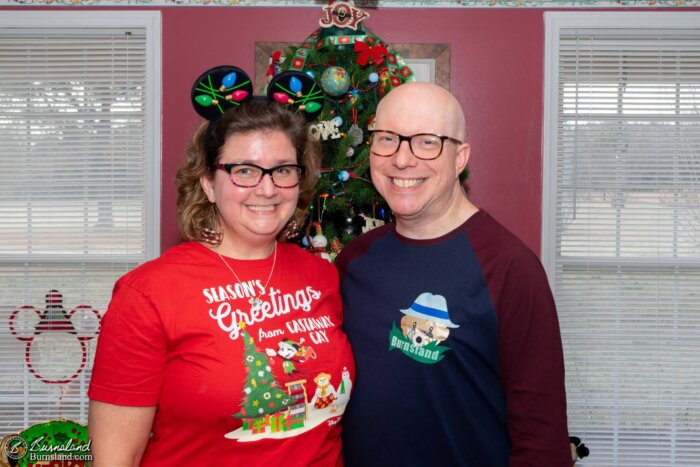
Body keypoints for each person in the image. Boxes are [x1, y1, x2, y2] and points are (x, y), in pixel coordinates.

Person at [88, 101, 355, 466]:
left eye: (282, 170)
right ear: (208, 184)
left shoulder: (322, 276)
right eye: (244, 170)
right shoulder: (147, 293)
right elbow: (114, 458)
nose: (267, 189)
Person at [336, 82, 570, 466]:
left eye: (427, 142)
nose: (401, 159)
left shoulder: (509, 267)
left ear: (460, 157)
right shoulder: (355, 260)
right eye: (387, 139)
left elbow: (541, 438)